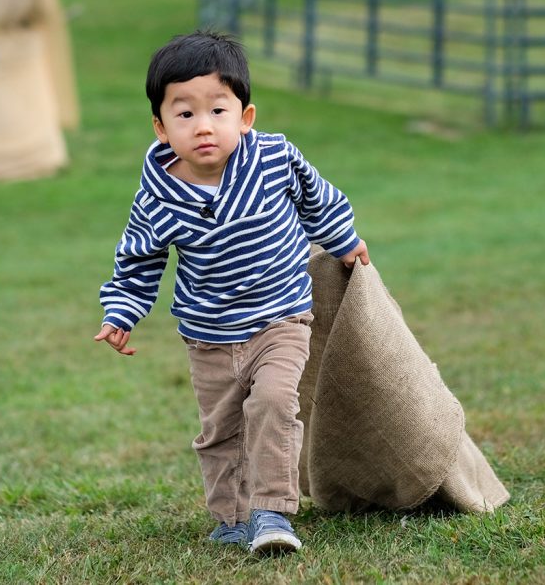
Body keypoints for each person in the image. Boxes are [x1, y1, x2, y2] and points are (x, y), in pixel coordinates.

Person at [95, 30, 369, 555]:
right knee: (219, 431)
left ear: (245, 117)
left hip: (280, 317)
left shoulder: (273, 159)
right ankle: (231, 518)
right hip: (209, 335)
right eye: (185, 114)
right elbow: (137, 260)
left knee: (272, 402)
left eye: (218, 111)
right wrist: (121, 313)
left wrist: (344, 241)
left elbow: (318, 197)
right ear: (160, 128)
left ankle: (271, 513)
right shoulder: (158, 197)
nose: (203, 127)